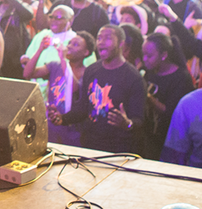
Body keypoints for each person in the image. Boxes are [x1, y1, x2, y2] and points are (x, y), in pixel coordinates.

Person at [49, 24, 147, 153]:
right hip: (91, 145)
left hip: (118, 149)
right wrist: (63, 119)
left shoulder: (133, 78)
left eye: (107, 38)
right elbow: (83, 107)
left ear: (121, 43)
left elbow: (139, 120)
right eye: (99, 38)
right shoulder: (92, 71)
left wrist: (127, 123)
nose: (101, 42)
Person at [24, 31, 95, 146]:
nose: (70, 46)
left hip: (73, 129)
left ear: (86, 52)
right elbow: (27, 73)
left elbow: (74, 89)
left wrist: (63, 60)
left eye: (76, 45)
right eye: (70, 43)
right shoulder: (54, 66)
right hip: (52, 125)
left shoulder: (87, 73)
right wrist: (40, 50)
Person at [141, 33, 194, 159]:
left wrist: (148, 97)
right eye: (143, 55)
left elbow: (170, 112)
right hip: (149, 137)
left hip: (168, 140)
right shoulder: (149, 72)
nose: (144, 59)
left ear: (164, 55)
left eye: (149, 56)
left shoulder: (180, 78)